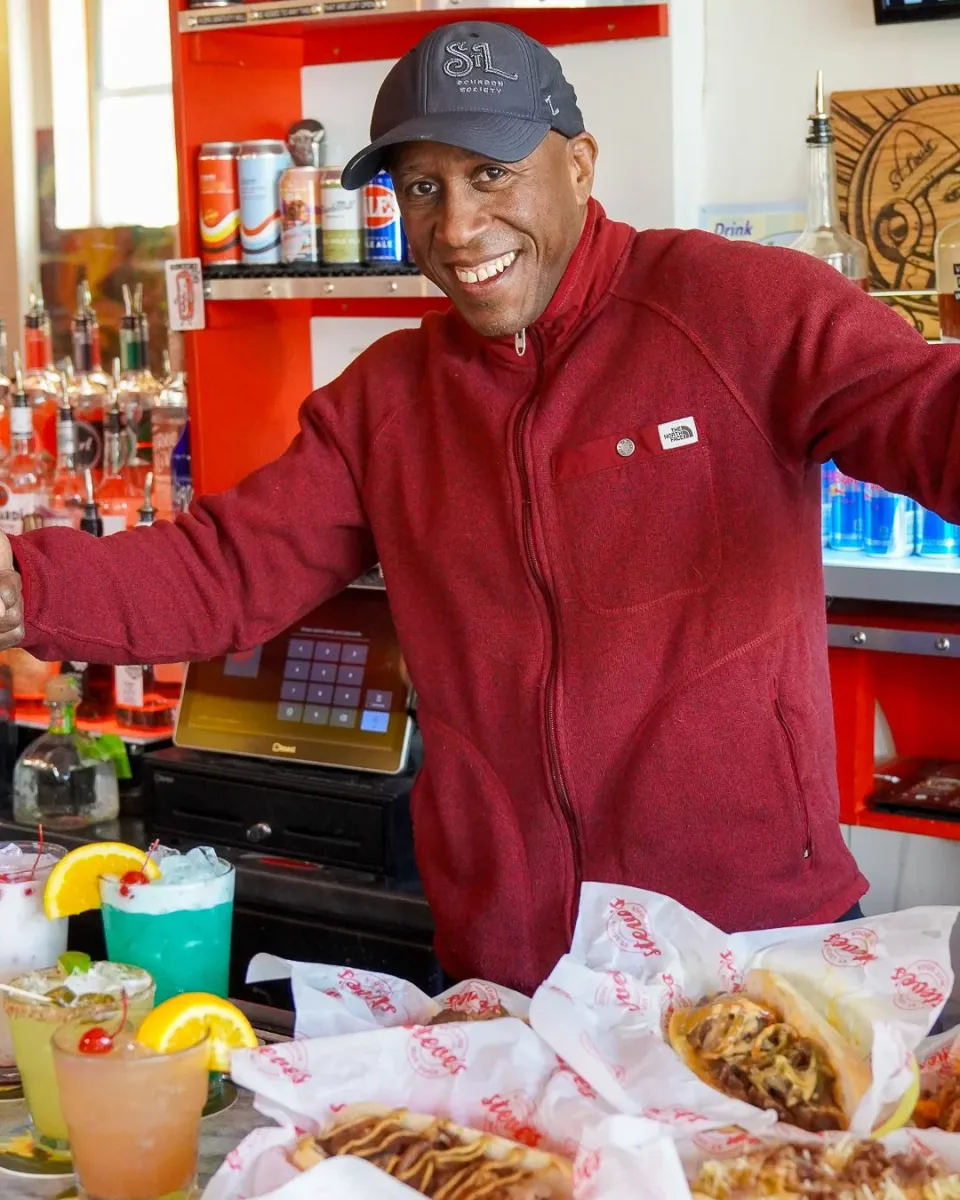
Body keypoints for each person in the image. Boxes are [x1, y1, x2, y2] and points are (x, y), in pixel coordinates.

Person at [1, 21, 958, 995]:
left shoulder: (737, 310)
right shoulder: (385, 404)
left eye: (490, 173)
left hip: (755, 955)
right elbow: (221, 572)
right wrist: (14, 589)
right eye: (422, 186)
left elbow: (928, 412)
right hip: (512, 981)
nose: (456, 228)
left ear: (580, 164)